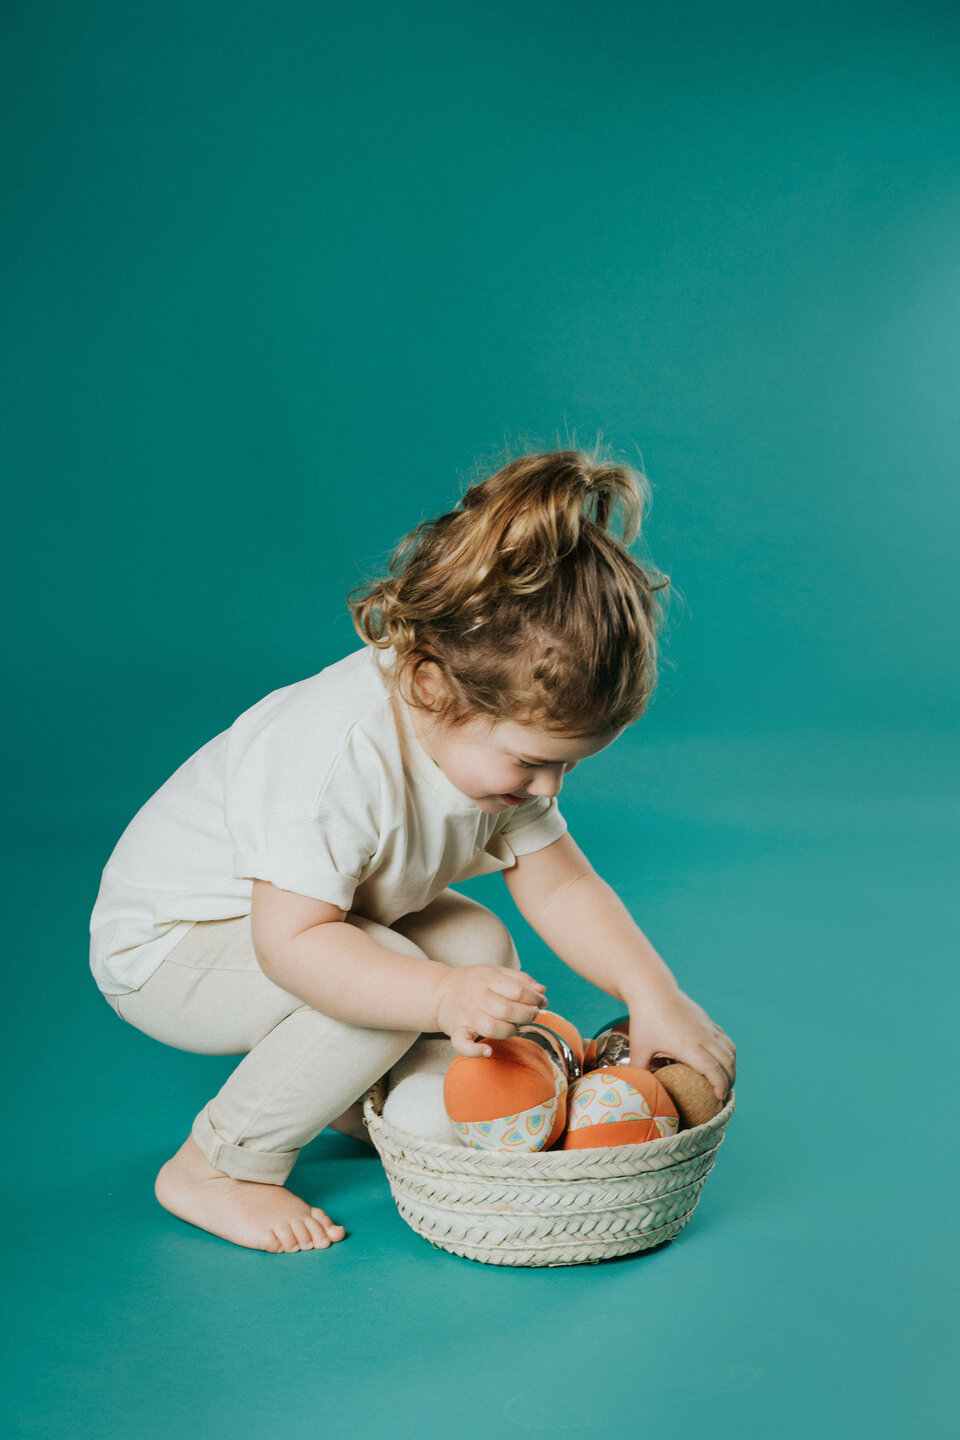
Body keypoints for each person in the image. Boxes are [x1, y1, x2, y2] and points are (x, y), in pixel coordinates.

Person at [89, 446, 736, 1255]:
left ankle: (366, 1096)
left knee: (474, 946)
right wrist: (437, 1001)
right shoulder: (333, 759)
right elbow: (292, 946)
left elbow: (564, 887)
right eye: (533, 761)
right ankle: (218, 1166)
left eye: (568, 764)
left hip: (313, 923)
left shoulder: (483, 739)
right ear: (431, 684)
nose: (550, 789)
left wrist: (654, 994)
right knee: (386, 989)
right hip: (171, 949)